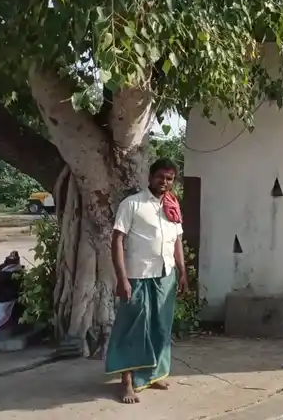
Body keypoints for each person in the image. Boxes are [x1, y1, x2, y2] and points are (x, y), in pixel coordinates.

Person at [105, 158, 188, 404]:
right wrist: (122, 278)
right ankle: (127, 382)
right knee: (132, 329)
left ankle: (153, 375)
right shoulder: (132, 204)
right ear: (150, 177)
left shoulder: (172, 206)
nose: (165, 182)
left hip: (165, 276)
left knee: (160, 328)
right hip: (138, 276)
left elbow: (177, 241)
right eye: (160, 177)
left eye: (170, 178)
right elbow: (117, 240)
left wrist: (182, 272)